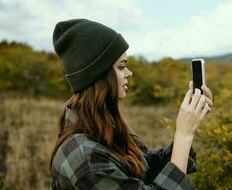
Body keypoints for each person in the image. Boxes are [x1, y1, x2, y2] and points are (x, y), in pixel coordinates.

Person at [50, 19, 213, 190]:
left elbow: (146, 168)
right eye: (121, 67)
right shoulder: (85, 158)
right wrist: (183, 134)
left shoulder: (102, 124)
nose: (129, 73)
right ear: (98, 75)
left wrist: (191, 121)